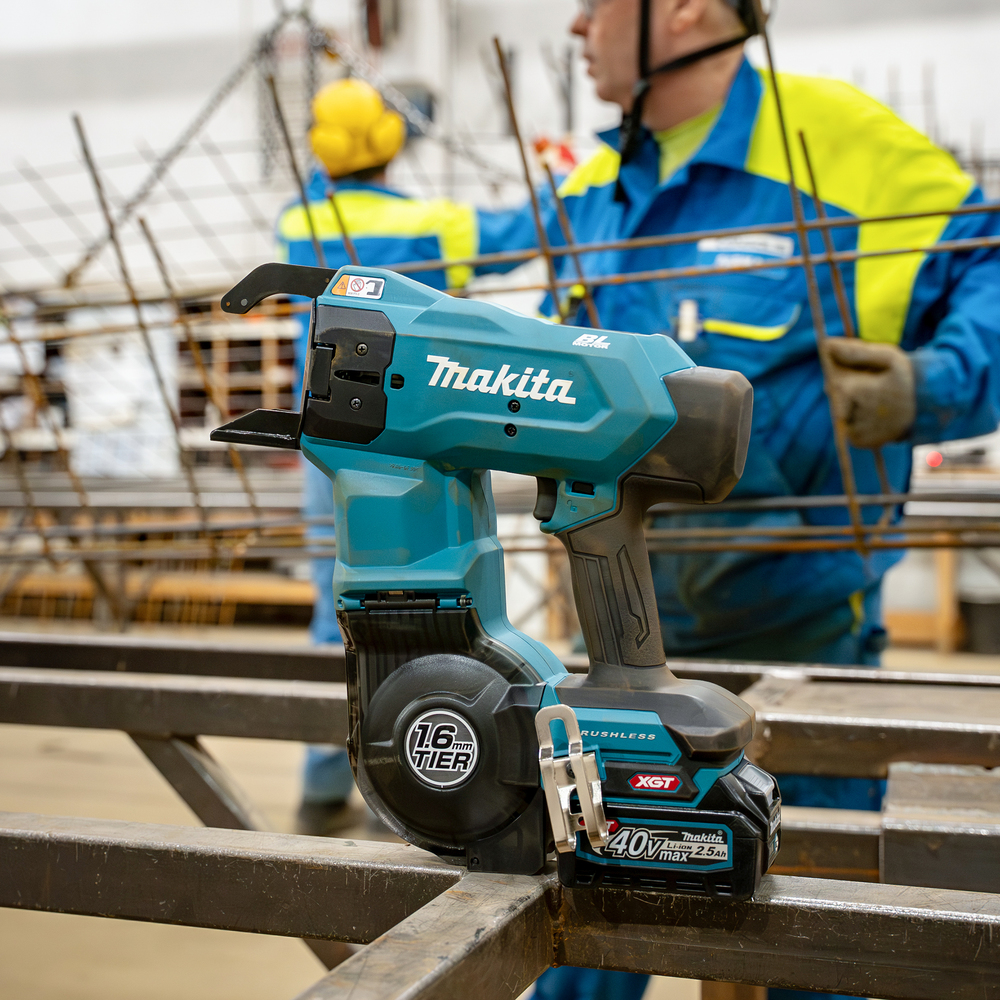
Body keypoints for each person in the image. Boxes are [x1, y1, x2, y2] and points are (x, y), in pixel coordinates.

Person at [523, 1, 1000, 998]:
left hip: (804, 647)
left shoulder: (845, 149)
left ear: (685, 7)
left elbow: (987, 265)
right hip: (613, 646)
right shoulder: (589, 186)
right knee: (581, 930)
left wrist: (932, 385)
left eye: (597, 2)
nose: (575, 25)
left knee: (812, 940)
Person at [277, 76, 534, 835]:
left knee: (342, 605)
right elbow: (523, 232)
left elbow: (328, 190)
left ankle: (328, 785)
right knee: (443, 597)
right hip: (421, 438)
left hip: (330, 440)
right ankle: (419, 773)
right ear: (392, 142)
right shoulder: (437, 224)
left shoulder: (299, 221)